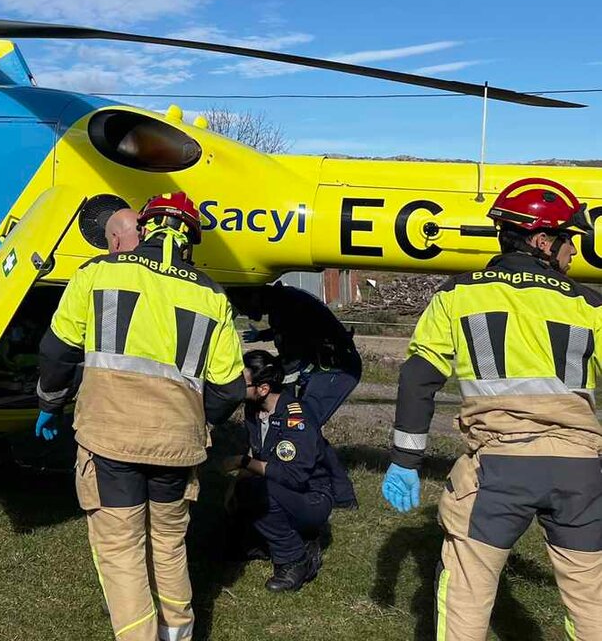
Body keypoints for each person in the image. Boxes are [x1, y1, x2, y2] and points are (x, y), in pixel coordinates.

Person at [382, 177, 602, 640]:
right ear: (543, 240)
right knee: (591, 596)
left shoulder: (457, 294)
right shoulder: (591, 303)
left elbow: (419, 377)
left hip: (498, 468)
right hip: (580, 472)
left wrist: (405, 461)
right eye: (569, 240)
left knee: (467, 589)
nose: (572, 253)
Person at [36, 192, 246, 641]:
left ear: (147, 228)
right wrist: (192, 419)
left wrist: (49, 403)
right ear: (189, 241)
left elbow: (56, 351)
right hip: (177, 447)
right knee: (169, 546)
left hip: (109, 440)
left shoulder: (96, 273)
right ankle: (178, 634)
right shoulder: (213, 296)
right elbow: (230, 389)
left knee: (121, 550)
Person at [229, 282, 360, 508]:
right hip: (323, 365)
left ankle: (339, 494)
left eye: (242, 307)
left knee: (306, 427)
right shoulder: (281, 301)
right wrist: (262, 335)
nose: (243, 313)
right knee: (303, 427)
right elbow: (290, 331)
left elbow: (290, 361)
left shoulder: (285, 306)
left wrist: (277, 392)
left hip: (339, 368)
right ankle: (305, 481)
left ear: (252, 296)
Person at [222, 349, 333, 592]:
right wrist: (235, 487)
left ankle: (296, 559)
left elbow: (292, 476)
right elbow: (257, 452)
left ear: (262, 389)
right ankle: (263, 542)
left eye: (242, 383)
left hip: (311, 497)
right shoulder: (254, 410)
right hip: (283, 489)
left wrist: (242, 463)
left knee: (258, 491)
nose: (236, 387)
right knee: (228, 540)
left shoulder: (295, 418)